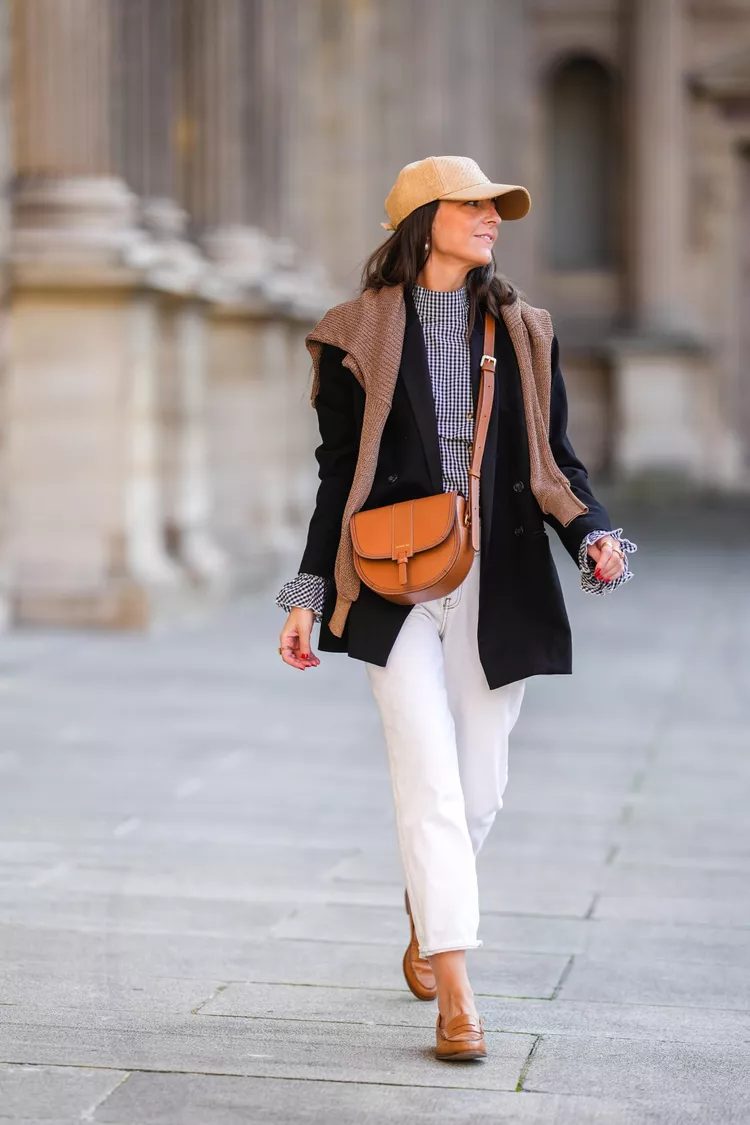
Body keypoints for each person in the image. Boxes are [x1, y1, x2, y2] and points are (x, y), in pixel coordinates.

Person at [275, 155, 637, 1062]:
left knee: (481, 788)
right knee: (429, 781)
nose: (491, 217)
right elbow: (338, 477)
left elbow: (553, 461)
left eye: (494, 207)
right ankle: (458, 994)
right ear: (423, 220)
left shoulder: (523, 329)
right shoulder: (355, 332)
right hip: (390, 581)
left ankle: (428, 904)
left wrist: (593, 533)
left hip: (496, 574)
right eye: (472, 204)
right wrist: (308, 593)